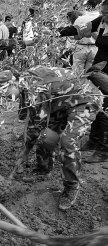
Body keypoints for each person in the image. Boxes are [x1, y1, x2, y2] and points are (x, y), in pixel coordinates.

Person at [19, 66, 98, 211]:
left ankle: (71, 186)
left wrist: (26, 151)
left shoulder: (36, 90)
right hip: (61, 101)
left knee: (67, 141)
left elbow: (36, 124)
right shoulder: (24, 81)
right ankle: (42, 170)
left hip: (85, 101)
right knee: (47, 135)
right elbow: (30, 117)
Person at [59, 0, 108, 163]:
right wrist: (59, 31)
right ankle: (94, 140)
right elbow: (80, 28)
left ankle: (103, 149)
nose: (104, 15)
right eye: (103, 11)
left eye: (106, 12)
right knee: (93, 102)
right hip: (98, 69)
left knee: (104, 108)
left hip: (106, 72)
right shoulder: (101, 21)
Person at [71, 5, 100, 75]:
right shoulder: (102, 19)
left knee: (77, 73)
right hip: (95, 48)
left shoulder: (80, 19)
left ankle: (78, 85)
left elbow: (74, 35)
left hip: (81, 47)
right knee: (91, 74)